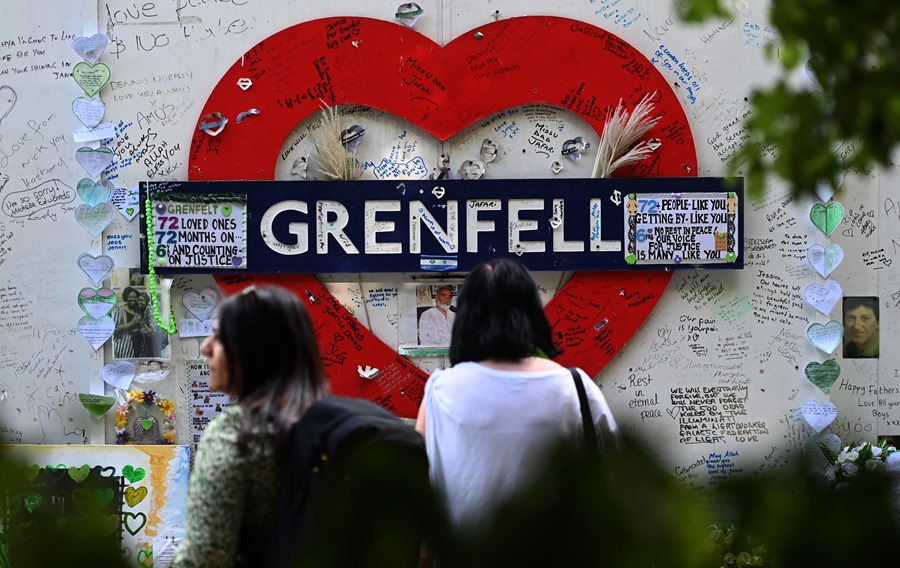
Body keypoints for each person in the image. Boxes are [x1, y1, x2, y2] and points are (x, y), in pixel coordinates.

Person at [415, 258, 618, 535]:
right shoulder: (576, 387)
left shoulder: (440, 391)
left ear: (465, 318)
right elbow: (618, 478)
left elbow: (419, 487)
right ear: (532, 313)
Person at [173, 285, 328, 567]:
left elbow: (204, 558)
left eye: (219, 337)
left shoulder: (235, 434)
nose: (206, 348)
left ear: (252, 350)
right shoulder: (324, 421)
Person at [112, 286, 146, 358]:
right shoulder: (119, 311)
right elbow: (113, 328)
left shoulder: (139, 311)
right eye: (130, 297)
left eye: (134, 297)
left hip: (139, 346)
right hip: (124, 347)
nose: (132, 299)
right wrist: (131, 323)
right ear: (126, 298)